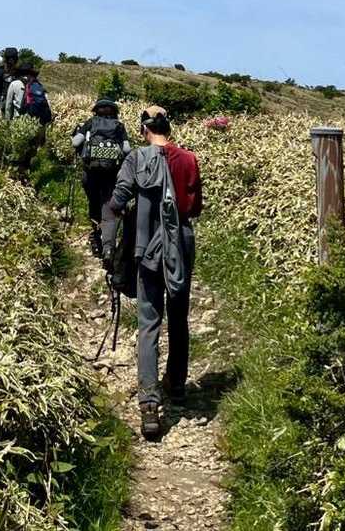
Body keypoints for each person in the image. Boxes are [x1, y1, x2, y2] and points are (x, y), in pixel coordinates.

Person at [101, 104, 203, 442]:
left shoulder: (136, 158)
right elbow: (194, 207)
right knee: (179, 315)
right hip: (181, 243)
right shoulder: (188, 159)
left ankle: (148, 403)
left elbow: (117, 201)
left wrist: (112, 236)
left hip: (148, 245)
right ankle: (177, 385)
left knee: (149, 321)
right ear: (168, 128)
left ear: (144, 130)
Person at [71, 98, 130, 257]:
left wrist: (75, 135)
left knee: (94, 203)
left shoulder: (91, 123)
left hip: (90, 174)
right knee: (108, 208)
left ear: (96, 110)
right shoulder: (119, 126)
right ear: (115, 112)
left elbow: (76, 143)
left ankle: (96, 239)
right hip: (111, 174)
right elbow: (126, 149)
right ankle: (108, 247)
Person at [3, 60, 53, 124]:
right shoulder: (37, 85)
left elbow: (8, 105)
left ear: (20, 72)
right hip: (35, 121)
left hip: (18, 120)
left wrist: (7, 121)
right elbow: (46, 103)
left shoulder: (14, 83)